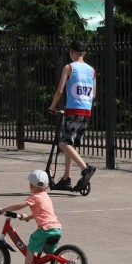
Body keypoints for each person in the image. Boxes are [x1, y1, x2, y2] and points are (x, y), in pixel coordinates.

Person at [0, 169, 62, 264]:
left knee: (31, 245)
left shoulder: (34, 197)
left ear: (30, 186)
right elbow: (41, 214)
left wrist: (3, 209)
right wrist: (26, 217)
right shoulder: (45, 196)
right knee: (50, 253)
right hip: (56, 229)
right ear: (46, 187)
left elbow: (19, 205)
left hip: (45, 230)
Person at [47, 40, 97, 191]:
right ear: (84, 53)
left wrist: (52, 106)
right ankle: (65, 178)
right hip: (87, 111)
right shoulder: (92, 70)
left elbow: (60, 91)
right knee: (71, 145)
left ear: (71, 52)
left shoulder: (69, 67)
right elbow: (93, 94)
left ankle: (85, 168)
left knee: (63, 144)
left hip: (73, 110)